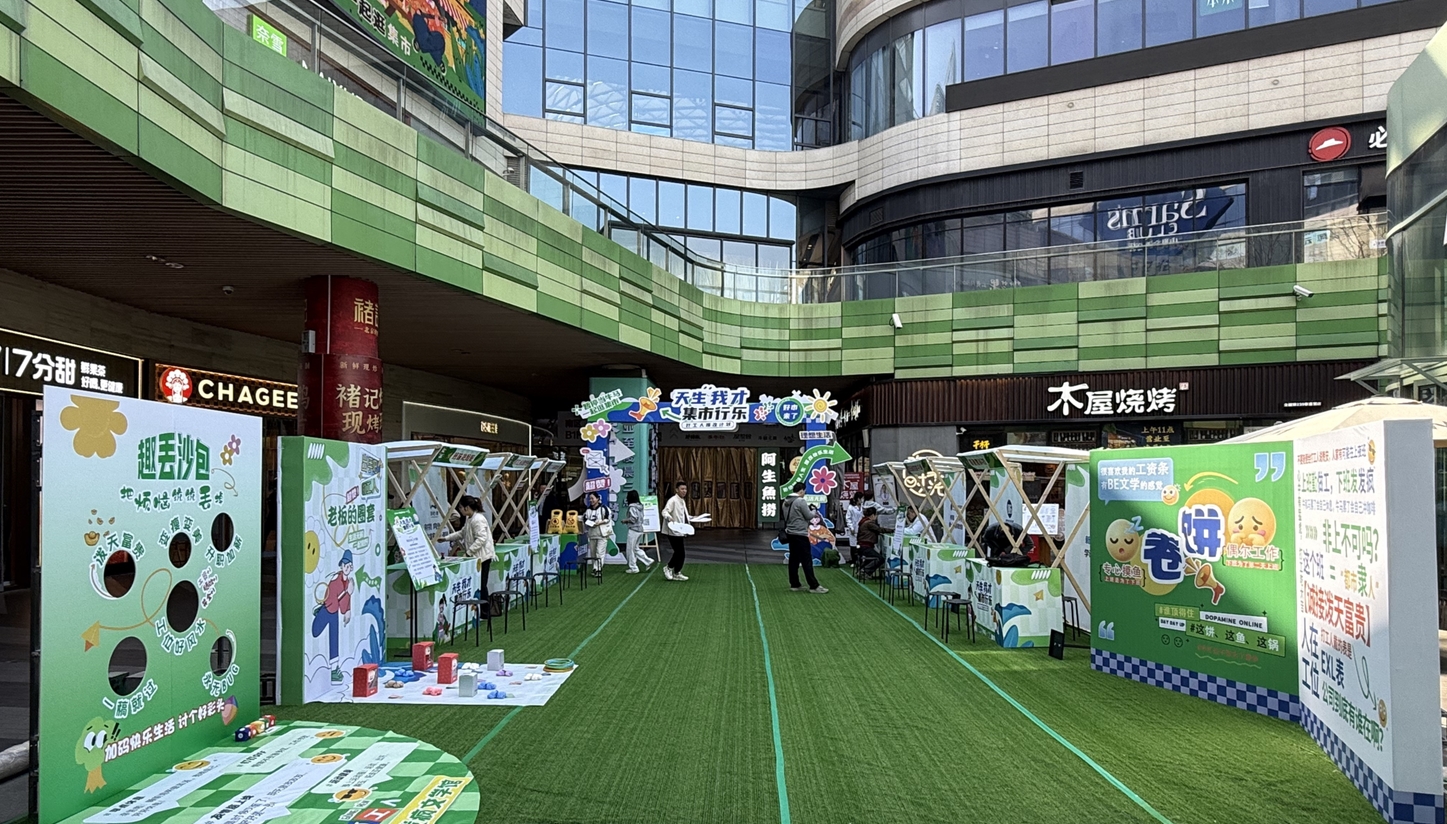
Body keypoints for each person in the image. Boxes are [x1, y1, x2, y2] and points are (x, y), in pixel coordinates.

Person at [438, 495, 496, 599]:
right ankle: (480, 607)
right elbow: (462, 533)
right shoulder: (470, 519)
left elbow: (481, 539)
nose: (459, 510)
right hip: (477, 557)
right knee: (478, 584)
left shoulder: (478, 519)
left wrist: (469, 552)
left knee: (481, 585)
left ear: (467, 507)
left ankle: (484, 608)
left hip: (483, 557)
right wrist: (446, 538)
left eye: (460, 507)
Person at [311, 549, 354, 683]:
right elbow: (333, 600)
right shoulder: (336, 581)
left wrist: (347, 610)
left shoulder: (347, 581)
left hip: (334, 612)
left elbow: (344, 603)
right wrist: (346, 593)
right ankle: (318, 612)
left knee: (334, 637)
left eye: (349, 566)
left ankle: (334, 669)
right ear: (341, 566)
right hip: (328, 609)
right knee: (315, 631)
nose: (347, 568)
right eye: (345, 565)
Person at [783, 482, 828, 593]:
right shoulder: (800, 501)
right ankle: (814, 586)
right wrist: (814, 510)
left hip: (790, 533)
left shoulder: (786, 502)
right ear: (801, 490)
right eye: (804, 491)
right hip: (800, 534)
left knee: (793, 560)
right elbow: (809, 516)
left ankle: (795, 584)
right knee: (806, 560)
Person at [660, 481, 692, 581]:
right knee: (679, 552)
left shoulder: (682, 500)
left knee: (680, 553)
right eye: (682, 489)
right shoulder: (673, 500)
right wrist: (669, 518)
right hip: (673, 530)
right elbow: (664, 511)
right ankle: (669, 568)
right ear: (677, 490)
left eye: (685, 489)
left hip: (680, 529)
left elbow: (683, 515)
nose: (684, 491)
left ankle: (677, 572)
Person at [622, 489, 654, 573]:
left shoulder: (632, 507)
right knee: (636, 548)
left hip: (633, 530)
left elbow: (633, 519)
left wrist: (625, 520)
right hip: (640, 529)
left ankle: (633, 567)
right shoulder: (640, 506)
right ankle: (648, 561)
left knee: (630, 549)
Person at [583, 492, 613, 578]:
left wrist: (600, 522)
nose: (591, 500)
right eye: (590, 499)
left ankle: (598, 569)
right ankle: (594, 568)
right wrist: (590, 523)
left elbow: (608, 518)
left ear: (598, 499)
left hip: (602, 534)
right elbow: (585, 519)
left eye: (592, 498)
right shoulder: (588, 510)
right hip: (592, 534)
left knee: (600, 552)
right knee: (593, 553)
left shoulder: (604, 508)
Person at [855, 504, 888, 578]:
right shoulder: (869, 523)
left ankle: (861, 570)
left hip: (861, 546)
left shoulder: (863, 521)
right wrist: (893, 530)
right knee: (880, 558)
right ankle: (865, 571)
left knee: (870, 558)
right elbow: (879, 529)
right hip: (866, 546)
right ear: (873, 515)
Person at [844, 492, 864, 563]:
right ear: (858, 499)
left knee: (861, 545)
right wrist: (851, 527)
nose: (863, 500)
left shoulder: (863, 507)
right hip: (854, 529)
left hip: (862, 529)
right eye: (862, 498)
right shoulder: (851, 507)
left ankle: (860, 560)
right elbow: (848, 518)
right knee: (853, 545)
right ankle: (854, 560)